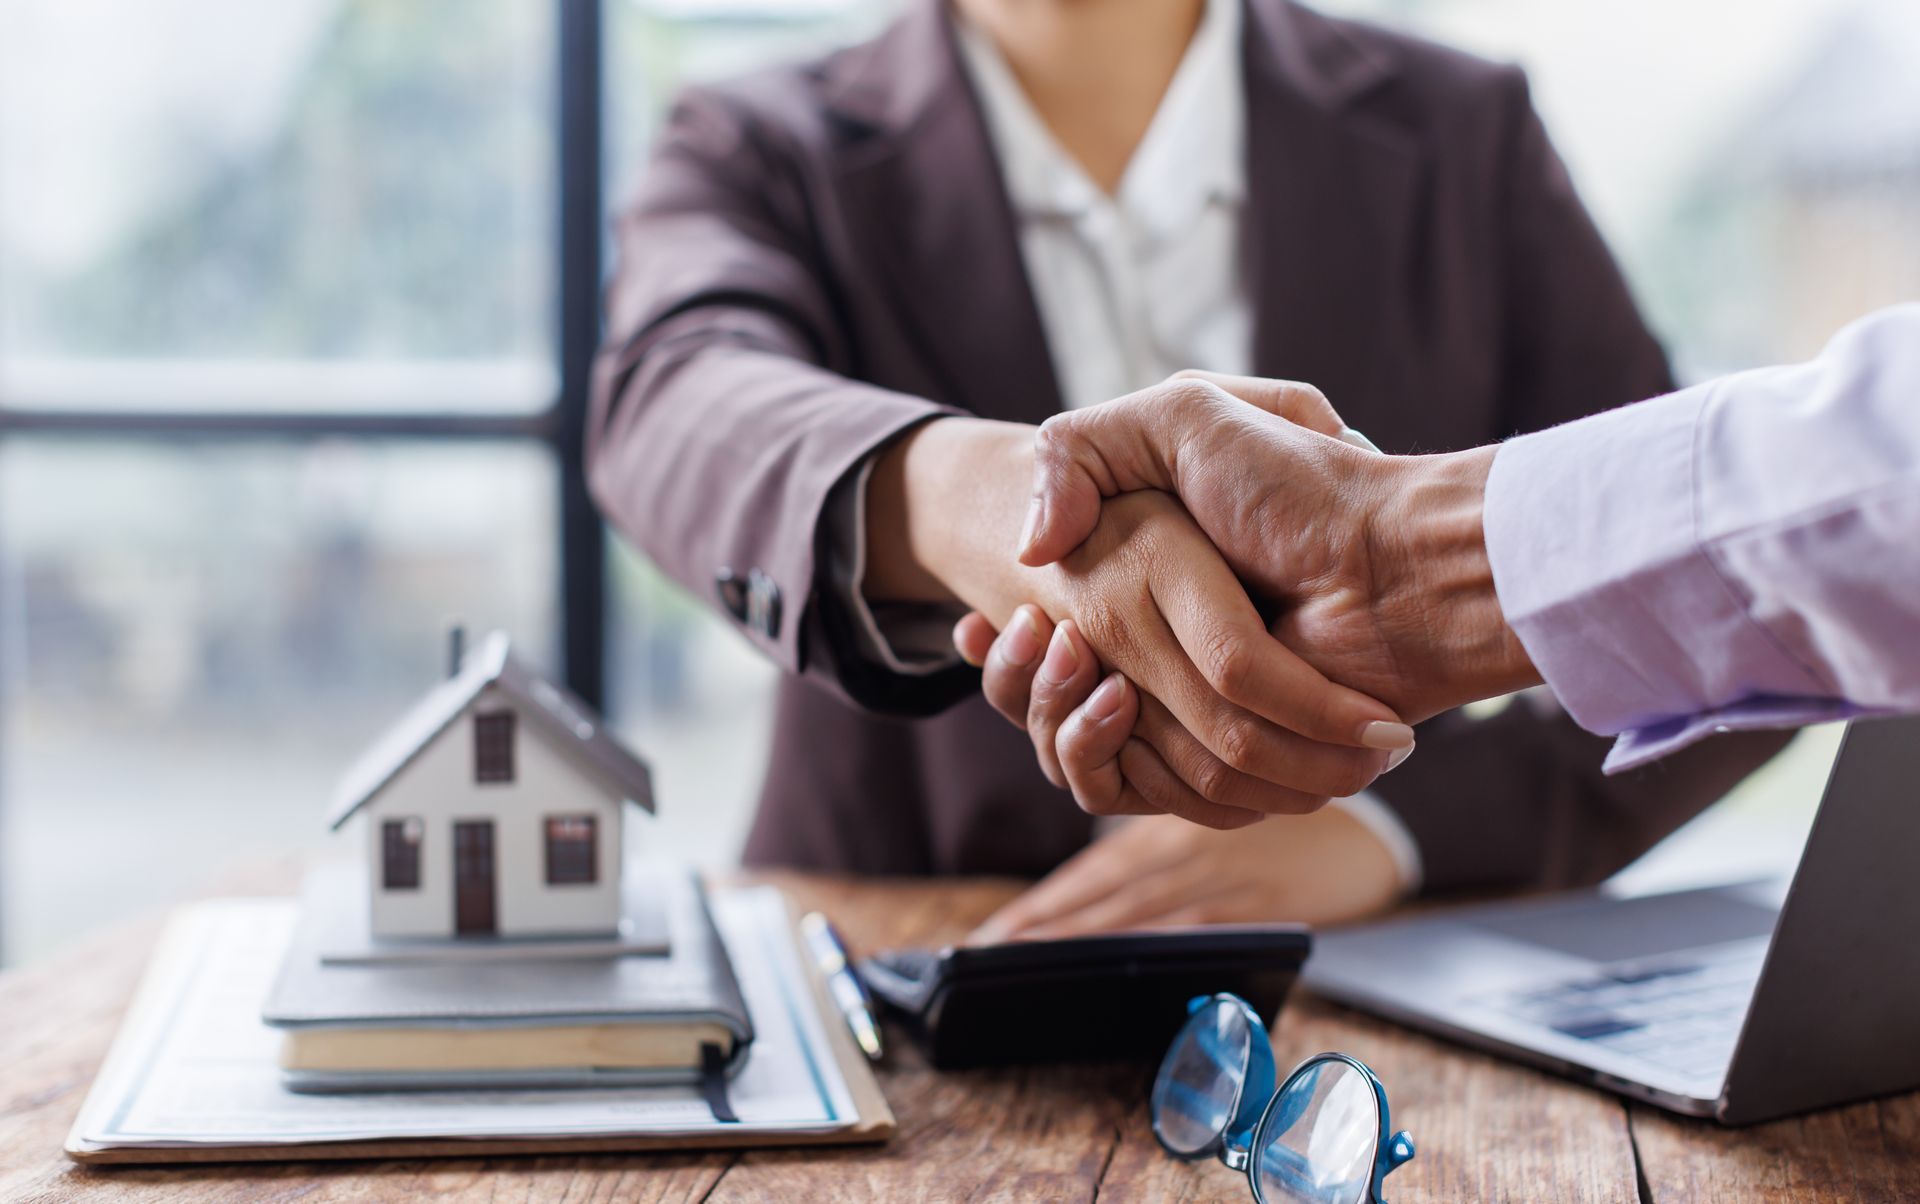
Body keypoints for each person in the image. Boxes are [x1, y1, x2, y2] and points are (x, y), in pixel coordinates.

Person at [588, 0, 1785, 928]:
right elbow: (669, 398)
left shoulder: (1464, 133)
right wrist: (1000, 501)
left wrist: (1394, 833)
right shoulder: (754, 143)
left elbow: (1723, 564)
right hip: (907, 978)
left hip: (1391, 999)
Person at [960, 305, 1920, 934]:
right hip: (948, 934)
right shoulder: (804, 137)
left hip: (1390, 951)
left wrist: (1397, 824)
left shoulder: (1473, 124)